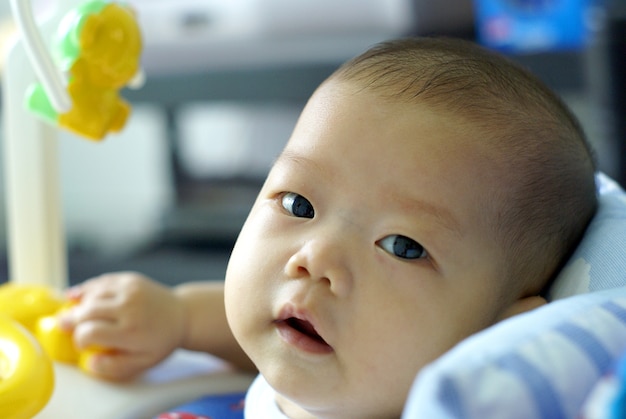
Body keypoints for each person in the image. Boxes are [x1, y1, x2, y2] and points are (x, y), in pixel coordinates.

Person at [59, 37, 598, 418]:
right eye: (297, 204)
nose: (315, 258)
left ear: (499, 331)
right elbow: (259, 328)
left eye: (402, 246)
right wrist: (175, 318)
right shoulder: (329, 339)